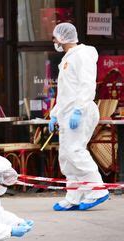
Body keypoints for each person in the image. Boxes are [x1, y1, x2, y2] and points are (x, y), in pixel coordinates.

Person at [48, 22, 109, 211]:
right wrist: (55, 114)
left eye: (55, 37)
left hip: (80, 112)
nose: (54, 41)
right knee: (66, 156)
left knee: (75, 151)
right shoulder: (68, 58)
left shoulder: (82, 55)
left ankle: (97, 190)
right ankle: (73, 196)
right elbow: (66, 92)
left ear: (63, 38)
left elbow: (87, 84)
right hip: (68, 113)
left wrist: (79, 109)